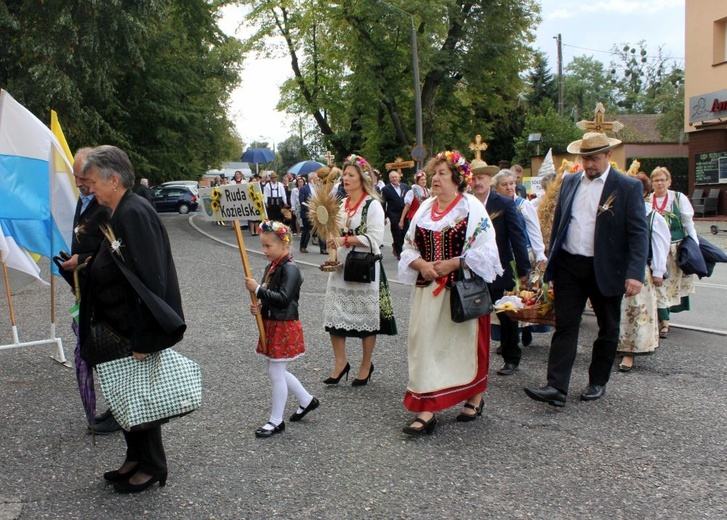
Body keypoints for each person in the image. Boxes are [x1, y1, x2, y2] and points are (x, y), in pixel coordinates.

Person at [81, 145, 185, 493]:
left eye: (93, 180)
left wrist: (146, 339)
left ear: (113, 179)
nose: (89, 186)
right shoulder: (115, 210)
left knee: (141, 396)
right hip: (117, 325)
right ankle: (135, 457)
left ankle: (153, 464)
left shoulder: (134, 213)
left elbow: (151, 278)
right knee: (126, 395)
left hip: (134, 329)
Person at [524, 132, 648, 407]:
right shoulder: (569, 181)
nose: (589, 163)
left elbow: (639, 234)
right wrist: (550, 262)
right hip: (570, 264)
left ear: (608, 156)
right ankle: (556, 387)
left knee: (608, 327)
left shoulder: (626, 187)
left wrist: (635, 273)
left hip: (606, 267)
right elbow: (559, 223)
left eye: (594, 158)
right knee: (565, 325)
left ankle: (597, 380)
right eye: (585, 158)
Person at [398, 151, 501, 435]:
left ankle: (473, 396)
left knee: (462, 350)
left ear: (458, 180)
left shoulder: (471, 208)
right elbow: (409, 247)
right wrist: (421, 264)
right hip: (427, 291)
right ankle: (427, 405)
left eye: (443, 174)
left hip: (459, 292)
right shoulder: (423, 209)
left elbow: (488, 250)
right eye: (435, 174)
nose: (436, 179)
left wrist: (455, 262)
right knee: (424, 346)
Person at [60, 147, 119, 435]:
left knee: (107, 348)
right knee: (96, 347)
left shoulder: (106, 203)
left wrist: (82, 260)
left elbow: (113, 249)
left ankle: (120, 411)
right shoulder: (84, 199)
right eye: (76, 177)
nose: (81, 184)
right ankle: (115, 407)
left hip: (103, 288)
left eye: (85, 178)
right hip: (84, 285)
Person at [323, 154, 397, 386]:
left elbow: (376, 239)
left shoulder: (372, 205)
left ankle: (366, 364)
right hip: (341, 267)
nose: (345, 178)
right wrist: (331, 240)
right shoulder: (342, 204)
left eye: (350, 175)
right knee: (335, 315)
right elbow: (334, 230)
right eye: (344, 174)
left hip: (364, 268)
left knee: (366, 317)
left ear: (362, 178)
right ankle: (340, 363)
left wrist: (345, 240)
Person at [244, 221, 319, 438]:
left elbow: (284, 299)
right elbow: (271, 297)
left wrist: (258, 289)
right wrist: (260, 306)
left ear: (283, 244)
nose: (264, 250)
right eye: (263, 246)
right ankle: (306, 400)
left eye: (268, 246)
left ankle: (276, 421)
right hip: (272, 323)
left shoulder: (290, 269)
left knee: (276, 371)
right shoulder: (273, 267)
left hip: (284, 325)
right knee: (277, 370)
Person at [471, 163, 530, 377]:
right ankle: (474, 357)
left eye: (482, 178)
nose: (477, 182)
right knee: (472, 312)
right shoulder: (464, 204)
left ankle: (511, 356)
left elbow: (517, 237)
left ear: (490, 181)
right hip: (472, 268)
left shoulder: (503, 203)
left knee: (505, 314)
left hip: (499, 268)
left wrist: (523, 269)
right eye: (474, 179)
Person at [492, 169, 549, 351]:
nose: (509, 187)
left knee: (522, 295)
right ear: (496, 188)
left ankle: (523, 331)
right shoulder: (495, 206)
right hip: (502, 257)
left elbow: (534, 231)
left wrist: (540, 255)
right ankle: (507, 337)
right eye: (504, 184)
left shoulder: (524, 205)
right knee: (505, 298)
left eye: (511, 183)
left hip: (523, 254)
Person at [617, 173, 670, 371]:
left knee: (635, 312)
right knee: (616, 312)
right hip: (617, 270)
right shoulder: (618, 213)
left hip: (638, 271)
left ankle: (629, 352)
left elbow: (660, 246)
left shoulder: (653, 217)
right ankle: (617, 346)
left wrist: (658, 271)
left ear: (644, 192)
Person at [646, 166, 698, 339]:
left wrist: (695, 246)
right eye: (656, 180)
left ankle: (664, 318)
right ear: (651, 183)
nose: (659, 183)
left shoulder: (678, 198)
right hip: (655, 249)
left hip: (675, 249)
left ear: (669, 182)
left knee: (670, 285)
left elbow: (688, 223)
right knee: (658, 283)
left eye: (663, 180)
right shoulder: (648, 200)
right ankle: (664, 321)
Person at [381, 171, 409, 259]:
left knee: (405, 232)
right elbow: (383, 203)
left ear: (399, 178)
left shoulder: (405, 186)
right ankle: (399, 253)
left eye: (396, 177)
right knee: (397, 232)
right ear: (390, 179)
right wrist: (384, 216)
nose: (394, 179)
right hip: (393, 213)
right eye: (392, 177)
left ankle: (404, 250)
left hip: (404, 212)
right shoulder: (386, 189)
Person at [298, 170, 327, 254]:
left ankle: (323, 248)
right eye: (316, 177)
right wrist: (309, 209)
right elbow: (302, 201)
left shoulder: (319, 187)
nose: (318, 179)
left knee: (321, 230)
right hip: (308, 212)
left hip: (319, 212)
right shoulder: (304, 189)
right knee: (307, 230)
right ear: (311, 178)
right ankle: (303, 247)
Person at [398, 170, 429, 236]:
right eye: (422, 180)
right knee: (416, 235)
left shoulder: (427, 191)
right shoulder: (412, 192)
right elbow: (407, 206)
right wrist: (402, 220)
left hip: (425, 216)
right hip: (414, 216)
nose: (424, 181)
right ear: (417, 181)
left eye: (425, 179)